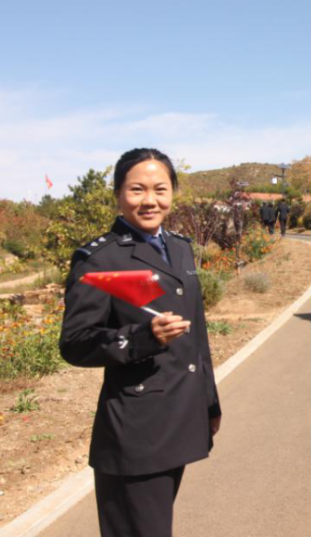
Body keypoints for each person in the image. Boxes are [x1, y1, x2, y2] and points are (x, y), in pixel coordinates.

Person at [60, 148, 222, 537]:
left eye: (160, 189)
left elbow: (197, 333)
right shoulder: (99, 259)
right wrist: (141, 339)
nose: (150, 200)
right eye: (137, 189)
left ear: (173, 193)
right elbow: (76, 342)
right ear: (118, 193)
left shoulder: (179, 247)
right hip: (136, 428)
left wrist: (210, 401)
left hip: (181, 414)